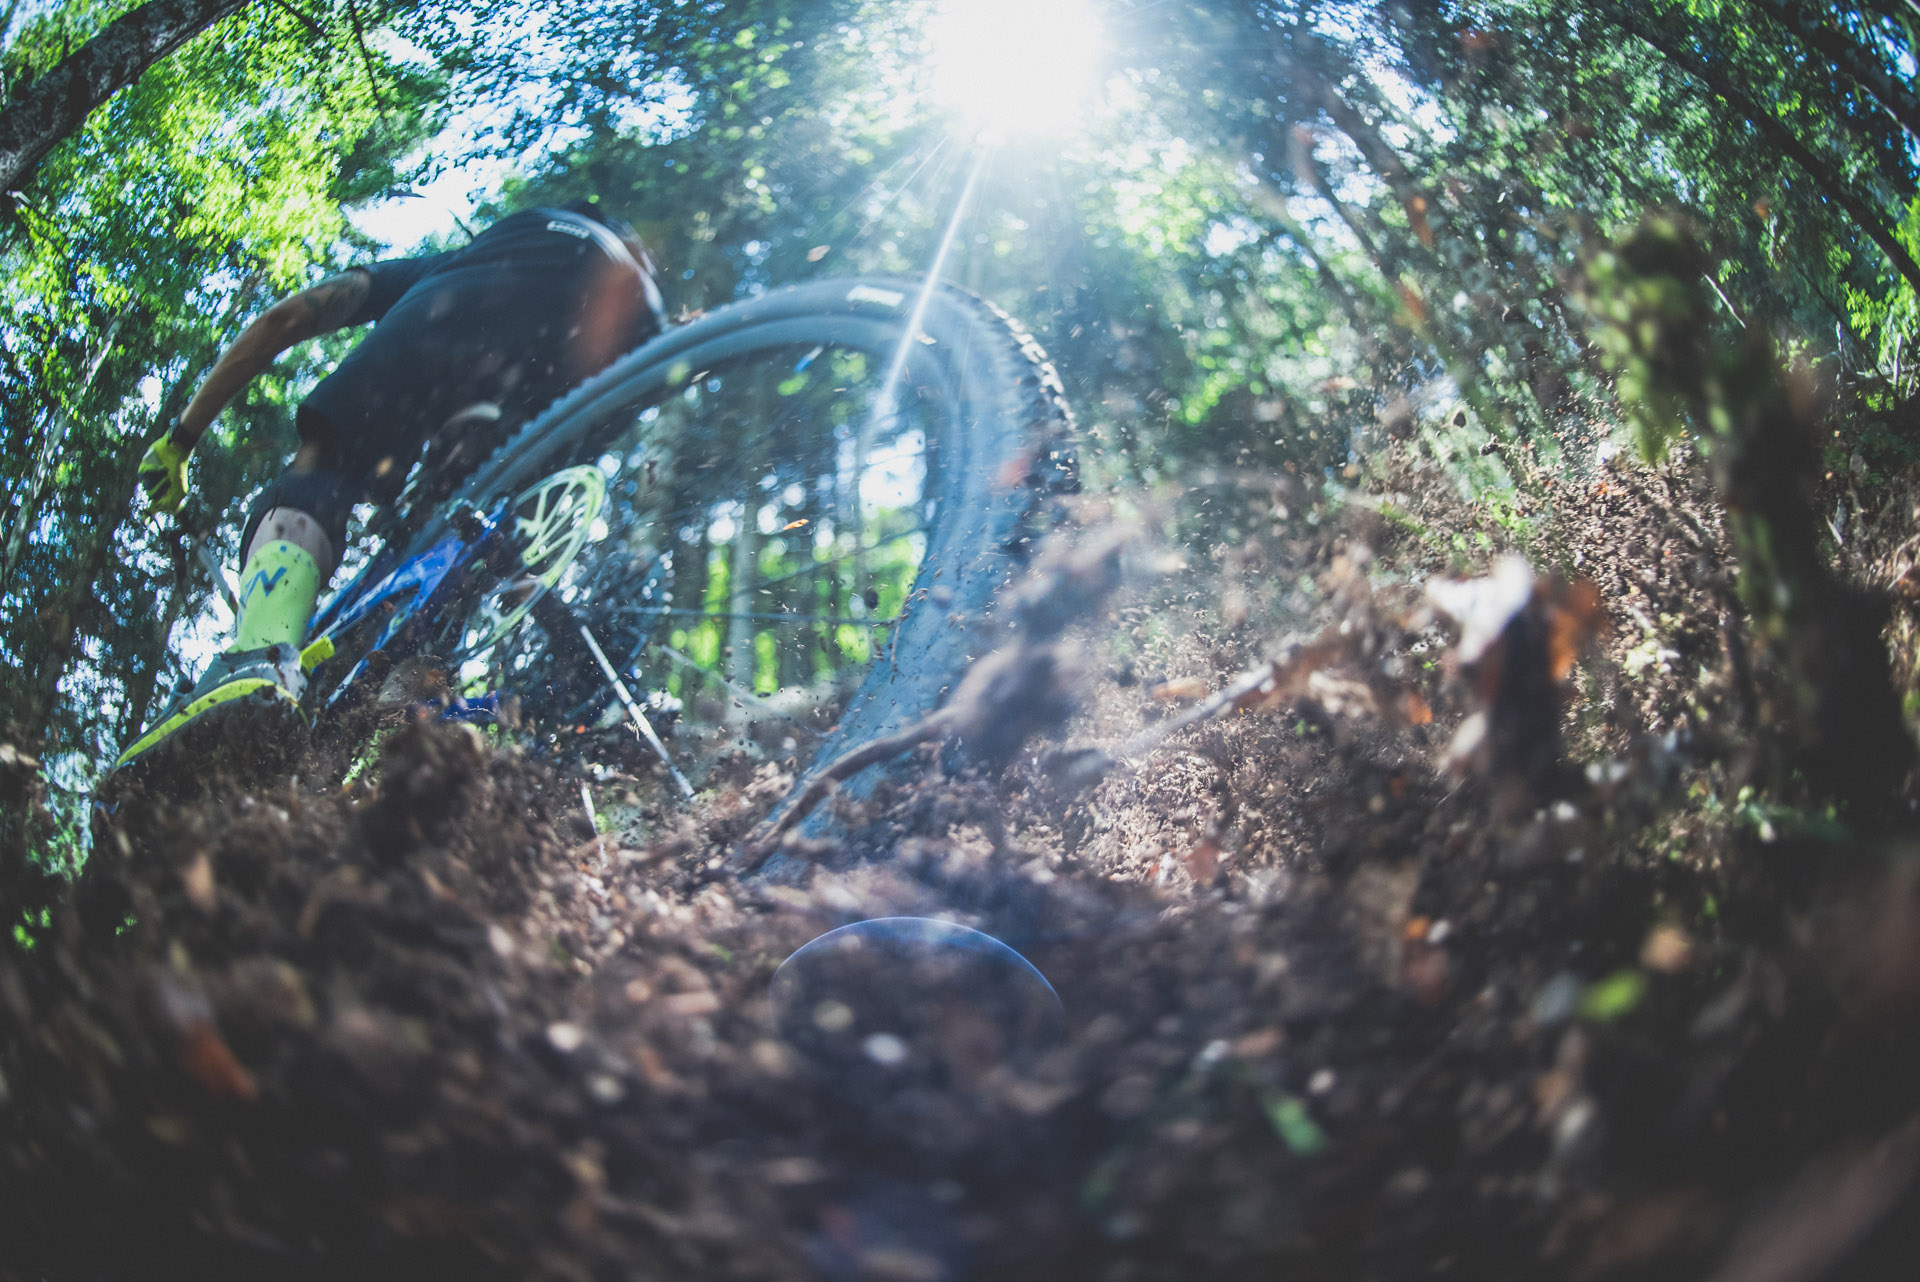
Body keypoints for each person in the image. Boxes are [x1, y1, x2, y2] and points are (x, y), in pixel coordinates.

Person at [115, 200, 668, 772]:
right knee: (469, 554)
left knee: (329, 465)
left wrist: (180, 439)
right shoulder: (626, 286)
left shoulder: (463, 260)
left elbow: (287, 318)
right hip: (626, 341)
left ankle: (258, 664)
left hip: (454, 328)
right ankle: (388, 735)